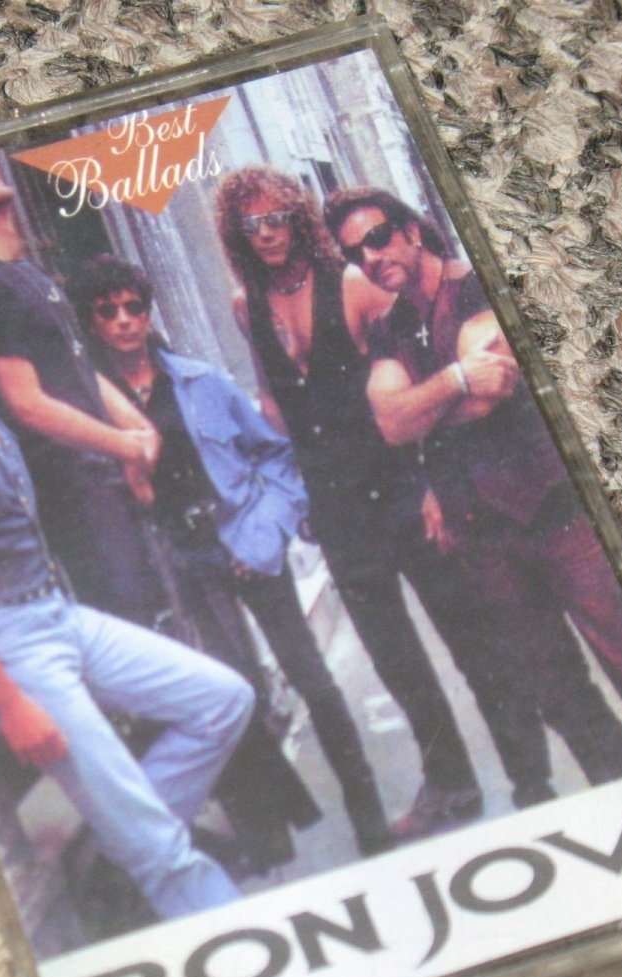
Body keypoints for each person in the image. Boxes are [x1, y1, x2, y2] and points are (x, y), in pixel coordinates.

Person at [0, 248, 253, 923]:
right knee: (165, 855)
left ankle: (127, 840)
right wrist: (8, 703)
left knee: (223, 700)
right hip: (8, 645)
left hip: (57, 612)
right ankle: (216, 920)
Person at [325, 185, 622, 802]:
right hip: (482, 537)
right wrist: (455, 379)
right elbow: (389, 424)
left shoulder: (475, 286)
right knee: (559, 693)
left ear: (410, 231)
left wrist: (425, 406)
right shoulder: (391, 327)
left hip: (554, 513)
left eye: (379, 238)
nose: (372, 257)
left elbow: (490, 389)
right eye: (355, 253)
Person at [71, 254, 394, 858]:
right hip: (179, 562)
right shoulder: (93, 406)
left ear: (148, 313)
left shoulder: (201, 382)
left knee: (310, 676)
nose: (123, 321)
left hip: (244, 541)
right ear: (92, 324)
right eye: (107, 312)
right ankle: (270, 833)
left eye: (133, 307)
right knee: (231, 692)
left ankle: (366, 808)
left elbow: (277, 456)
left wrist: (265, 533)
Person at [214, 165, 489, 837]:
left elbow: (412, 381)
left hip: (397, 483)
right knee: (394, 657)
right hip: (335, 506)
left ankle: (527, 763)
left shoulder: (354, 284)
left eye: (276, 218)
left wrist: (432, 482)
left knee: (467, 632)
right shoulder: (246, 304)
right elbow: (273, 402)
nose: (266, 233)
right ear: (236, 233)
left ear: (296, 217)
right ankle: (450, 783)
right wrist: (291, 485)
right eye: (251, 224)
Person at [0, 158, 170, 626]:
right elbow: (27, 404)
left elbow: (76, 365)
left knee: (161, 616)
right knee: (128, 622)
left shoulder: (19, 269)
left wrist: (138, 431)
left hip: (107, 474)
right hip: (75, 490)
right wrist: (126, 447)